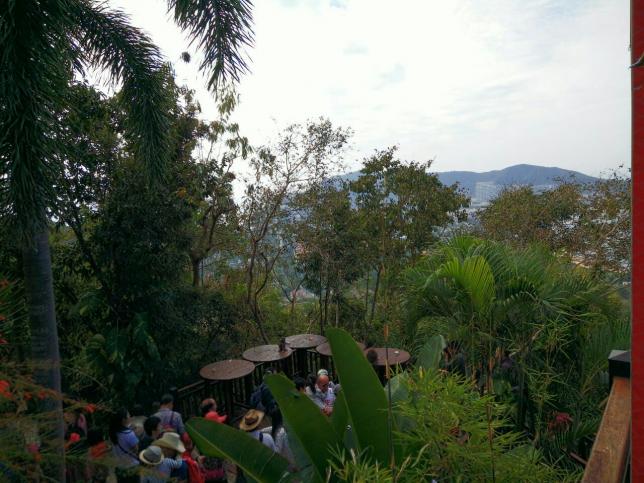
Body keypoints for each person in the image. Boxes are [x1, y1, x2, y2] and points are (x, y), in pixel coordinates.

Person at [108, 408, 139, 483]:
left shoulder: (112, 433)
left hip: (119, 467)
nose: (130, 417)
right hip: (131, 467)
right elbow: (136, 450)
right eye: (129, 416)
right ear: (123, 420)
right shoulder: (129, 433)